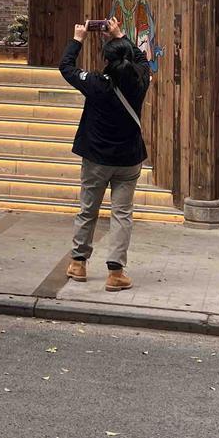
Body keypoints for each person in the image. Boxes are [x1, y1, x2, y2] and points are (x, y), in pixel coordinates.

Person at [59, 16, 151, 291]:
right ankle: (116, 272)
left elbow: (66, 68)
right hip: (128, 159)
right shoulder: (140, 80)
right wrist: (120, 35)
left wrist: (78, 39)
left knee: (88, 210)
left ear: (106, 61)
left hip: (96, 158)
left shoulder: (96, 83)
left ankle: (78, 264)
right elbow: (143, 60)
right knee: (122, 214)